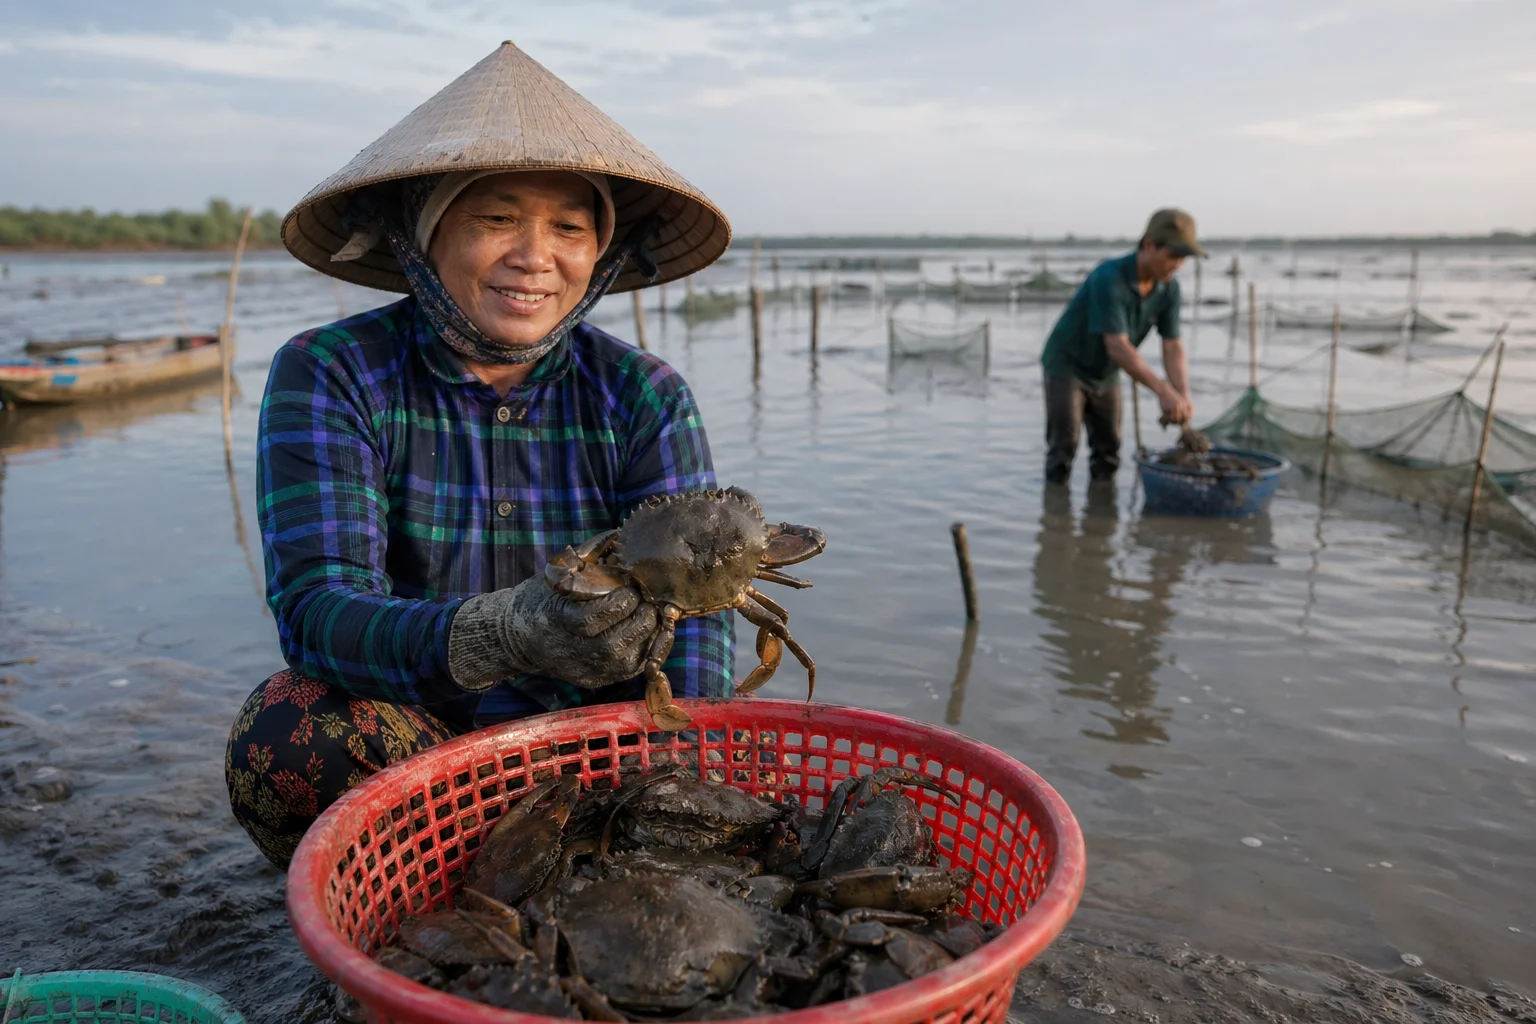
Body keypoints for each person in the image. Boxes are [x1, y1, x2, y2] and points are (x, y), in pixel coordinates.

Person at [225, 42, 735, 868]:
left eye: (570, 227)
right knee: (287, 731)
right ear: (424, 236)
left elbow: (701, 613)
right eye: (497, 218)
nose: (536, 256)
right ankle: (404, 914)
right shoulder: (332, 372)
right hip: (418, 739)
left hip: (593, 747)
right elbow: (317, 614)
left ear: (597, 254)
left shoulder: (643, 393)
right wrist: (504, 632)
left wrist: (672, 769)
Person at [1038, 209, 1205, 484]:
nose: (1177, 264)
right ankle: (1057, 516)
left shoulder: (1169, 289)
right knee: (1064, 446)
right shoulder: (1110, 278)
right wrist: (1163, 392)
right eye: (1173, 256)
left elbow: (1173, 346)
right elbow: (1118, 345)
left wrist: (1181, 395)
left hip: (1107, 372)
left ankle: (1101, 517)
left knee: (1109, 449)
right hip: (1067, 365)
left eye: (1183, 258)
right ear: (1149, 245)